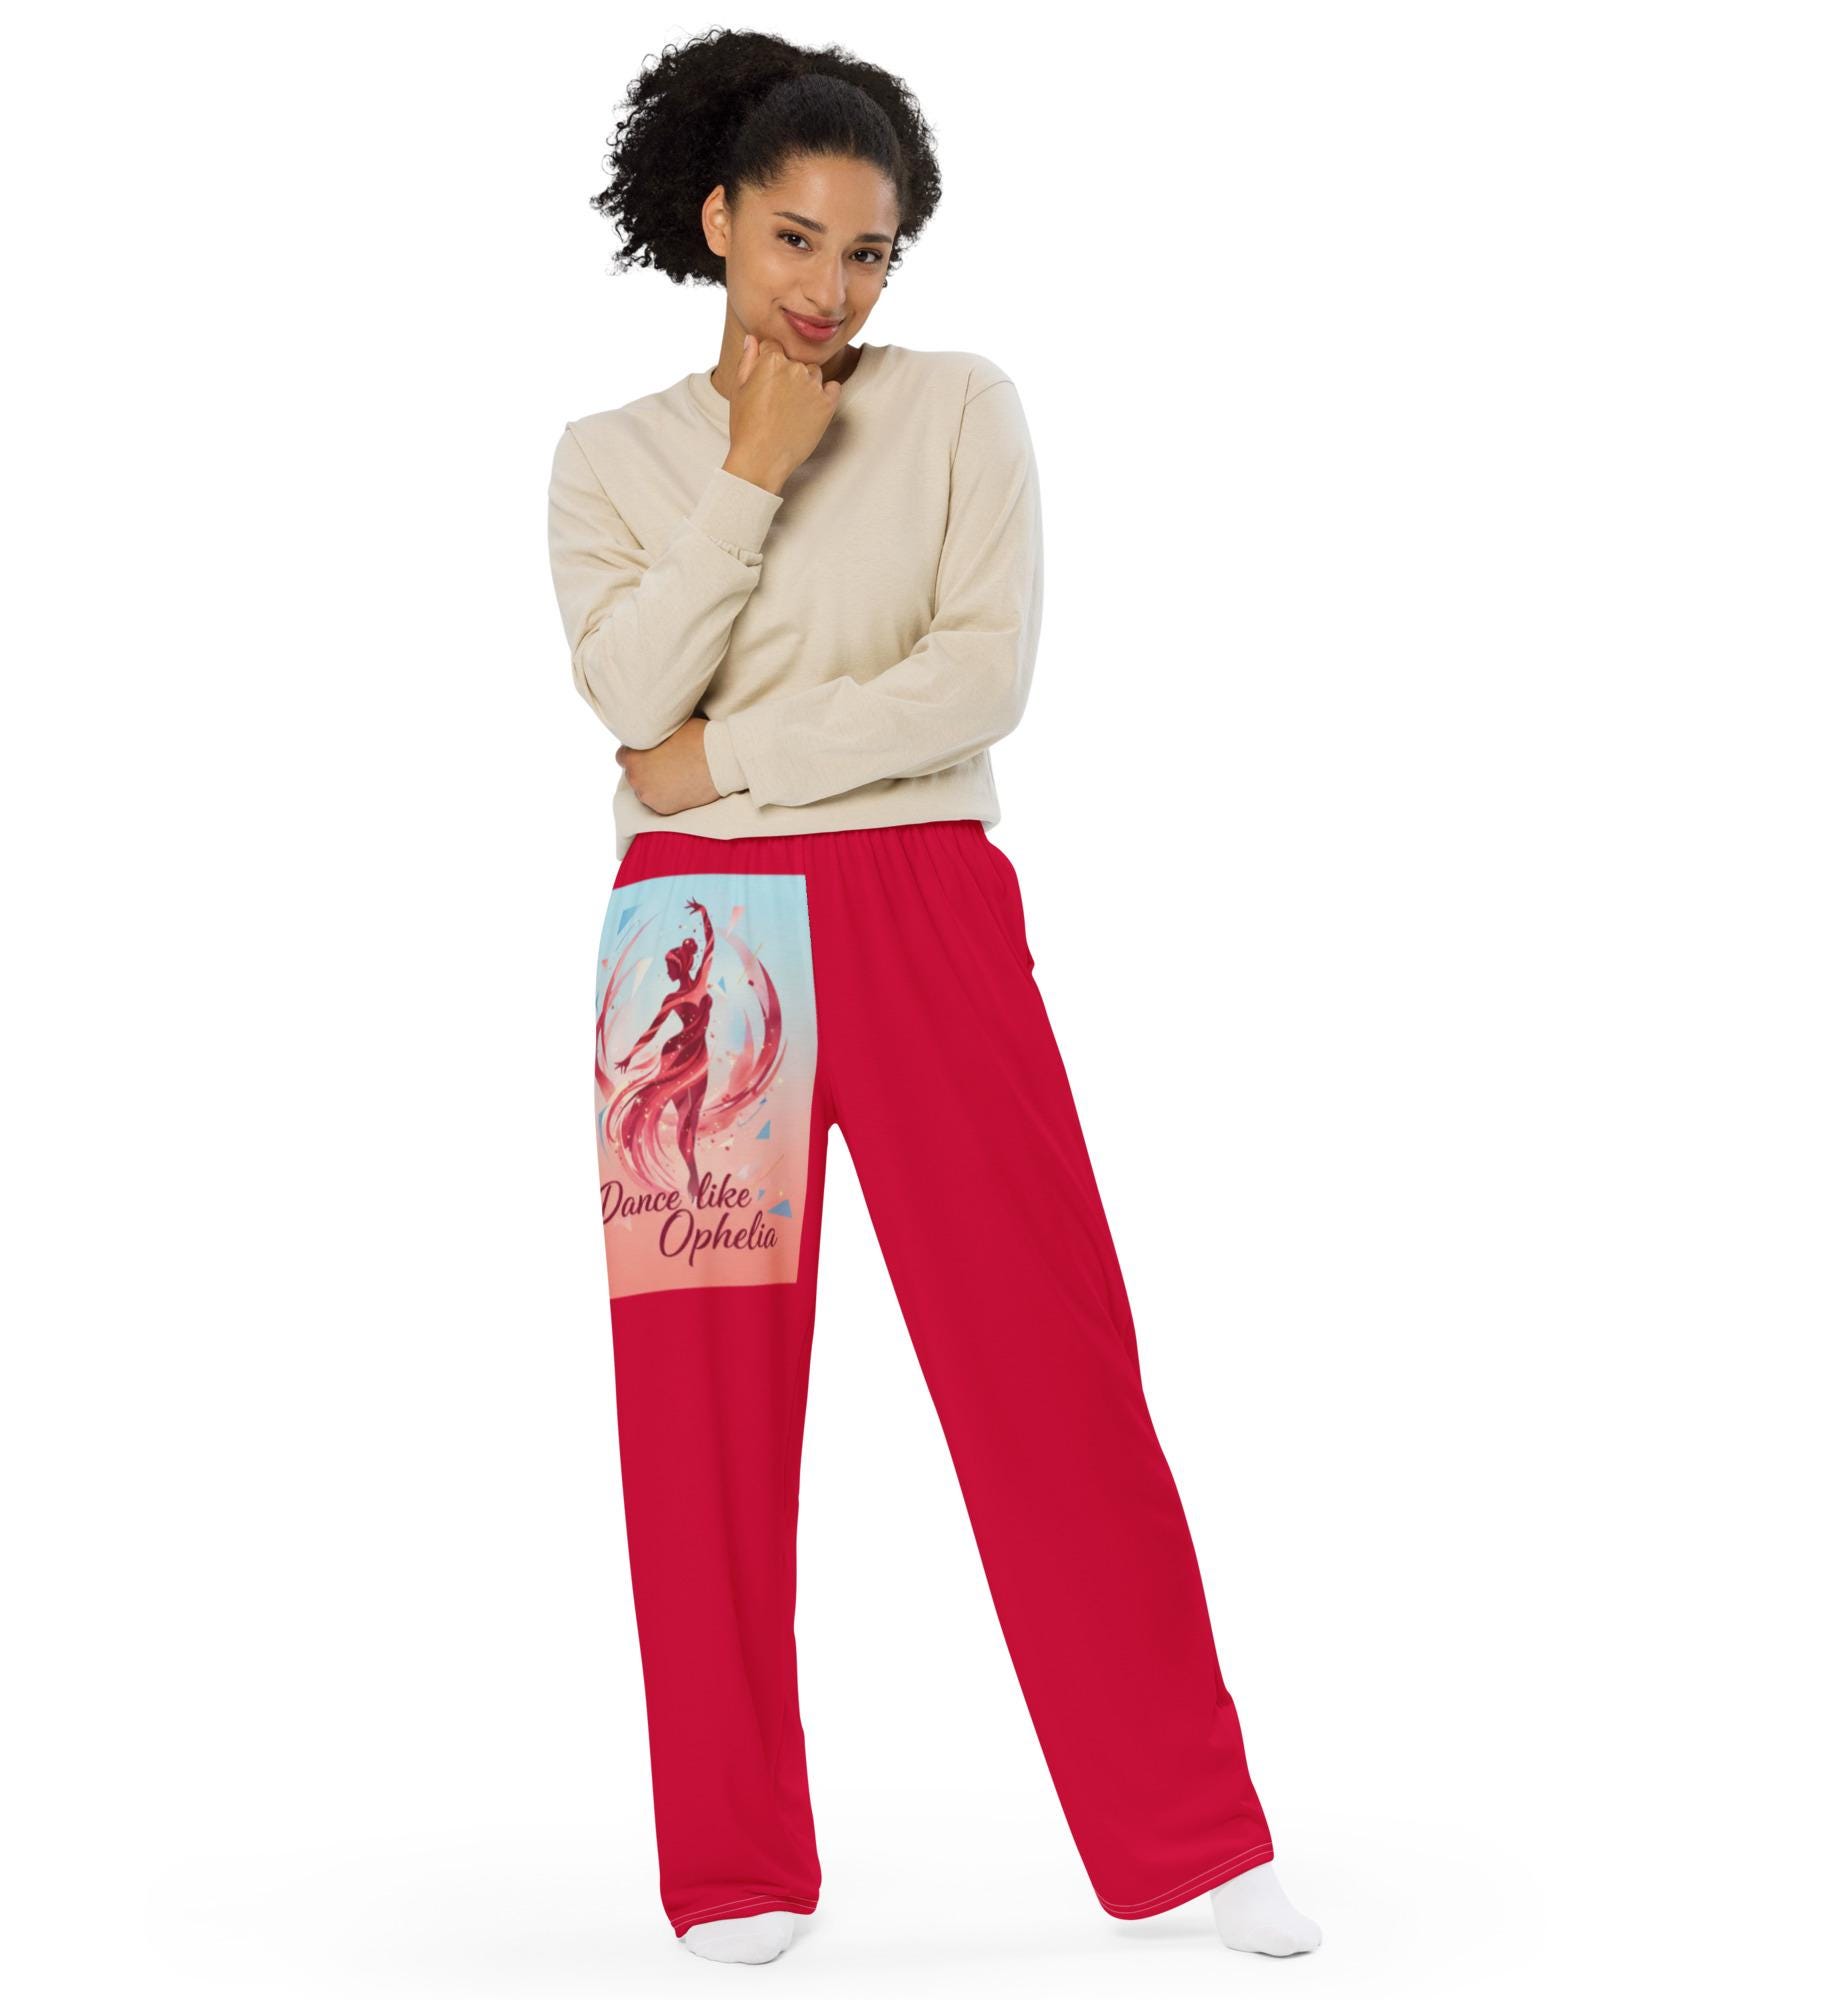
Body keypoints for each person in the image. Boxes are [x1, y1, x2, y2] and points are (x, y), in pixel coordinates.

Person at [547, 28, 1322, 1967]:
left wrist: (731, 762)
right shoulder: (609, 459)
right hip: (696, 942)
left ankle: (1184, 1836)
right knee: (701, 1405)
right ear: (716, 222)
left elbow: (978, 682)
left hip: (922, 905)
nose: (830, 286)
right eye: (794, 238)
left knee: (1045, 1360)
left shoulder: (963, 408)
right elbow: (628, 696)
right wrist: (750, 475)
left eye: (870, 251)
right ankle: (733, 1863)